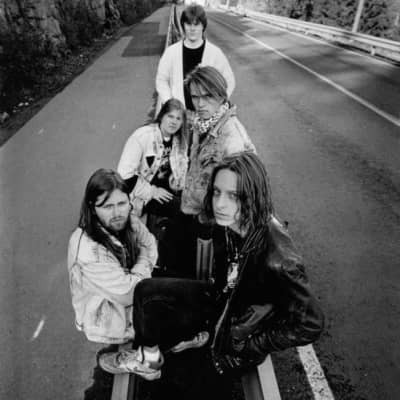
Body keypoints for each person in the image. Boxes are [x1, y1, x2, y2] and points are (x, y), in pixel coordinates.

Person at [99, 152, 324, 389]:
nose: (220, 204)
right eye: (217, 192)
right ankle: (149, 360)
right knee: (146, 292)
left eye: (233, 195)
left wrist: (251, 344)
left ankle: (201, 343)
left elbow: (311, 324)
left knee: (182, 384)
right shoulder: (232, 222)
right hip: (220, 303)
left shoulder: (279, 260)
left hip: (233, 343)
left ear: (253, 196)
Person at [160, 65, 255, 277]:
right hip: (194, 209)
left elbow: (242, 194)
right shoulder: (202, 125)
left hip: (214, 225)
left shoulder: (231, 138)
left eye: (207, 96)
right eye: (195, 97)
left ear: (221, 95)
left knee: (202, 275)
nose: (200, 104)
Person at [67, 169, 161, 379]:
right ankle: (137, 362)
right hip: (107, 317)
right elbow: (130, 294)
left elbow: (151, 243)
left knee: (170, 302)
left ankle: (166, 346)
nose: (117, 212)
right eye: (107, 206)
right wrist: (144, 259)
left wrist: (142, 265)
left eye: (122, 203)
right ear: (93, 208)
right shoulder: (89, 250)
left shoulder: (128, 219)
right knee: (159, 315)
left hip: (126, 291)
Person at [117, 98, 188, 220]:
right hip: (144, 194)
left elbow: (182, 170)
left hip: (170, 189)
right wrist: (152, 191)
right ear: (161, 116)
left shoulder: (180, 141)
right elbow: (124, 176)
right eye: (170, 116)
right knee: (182, 210)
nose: (174, 122)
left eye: (178, 118)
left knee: (195, 205)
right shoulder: (142, 136)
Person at [155, 4, 235, 112]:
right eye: (188, 24)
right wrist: (170, 103)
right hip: (181, 115)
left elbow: (230, 81)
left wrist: (218, 105)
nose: (192, 29)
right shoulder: (171, 52)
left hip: (207, 116)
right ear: (183, 25)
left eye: (196, 24)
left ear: (203, 26)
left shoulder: (215, 53)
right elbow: (161, 80)